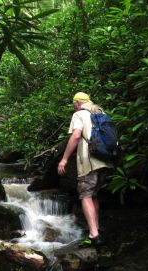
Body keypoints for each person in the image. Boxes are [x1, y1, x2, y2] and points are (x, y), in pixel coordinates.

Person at [57, 92, 113, 247]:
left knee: (85, 195)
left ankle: (94, 235)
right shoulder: (100, 113)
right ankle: (96, 229)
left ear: (77, 103)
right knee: (93, 195)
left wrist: (64, 159)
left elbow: (76, 135)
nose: (73, 107)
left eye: (73, 104)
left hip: (89, 162)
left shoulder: (79, 114)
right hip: (105, 160)